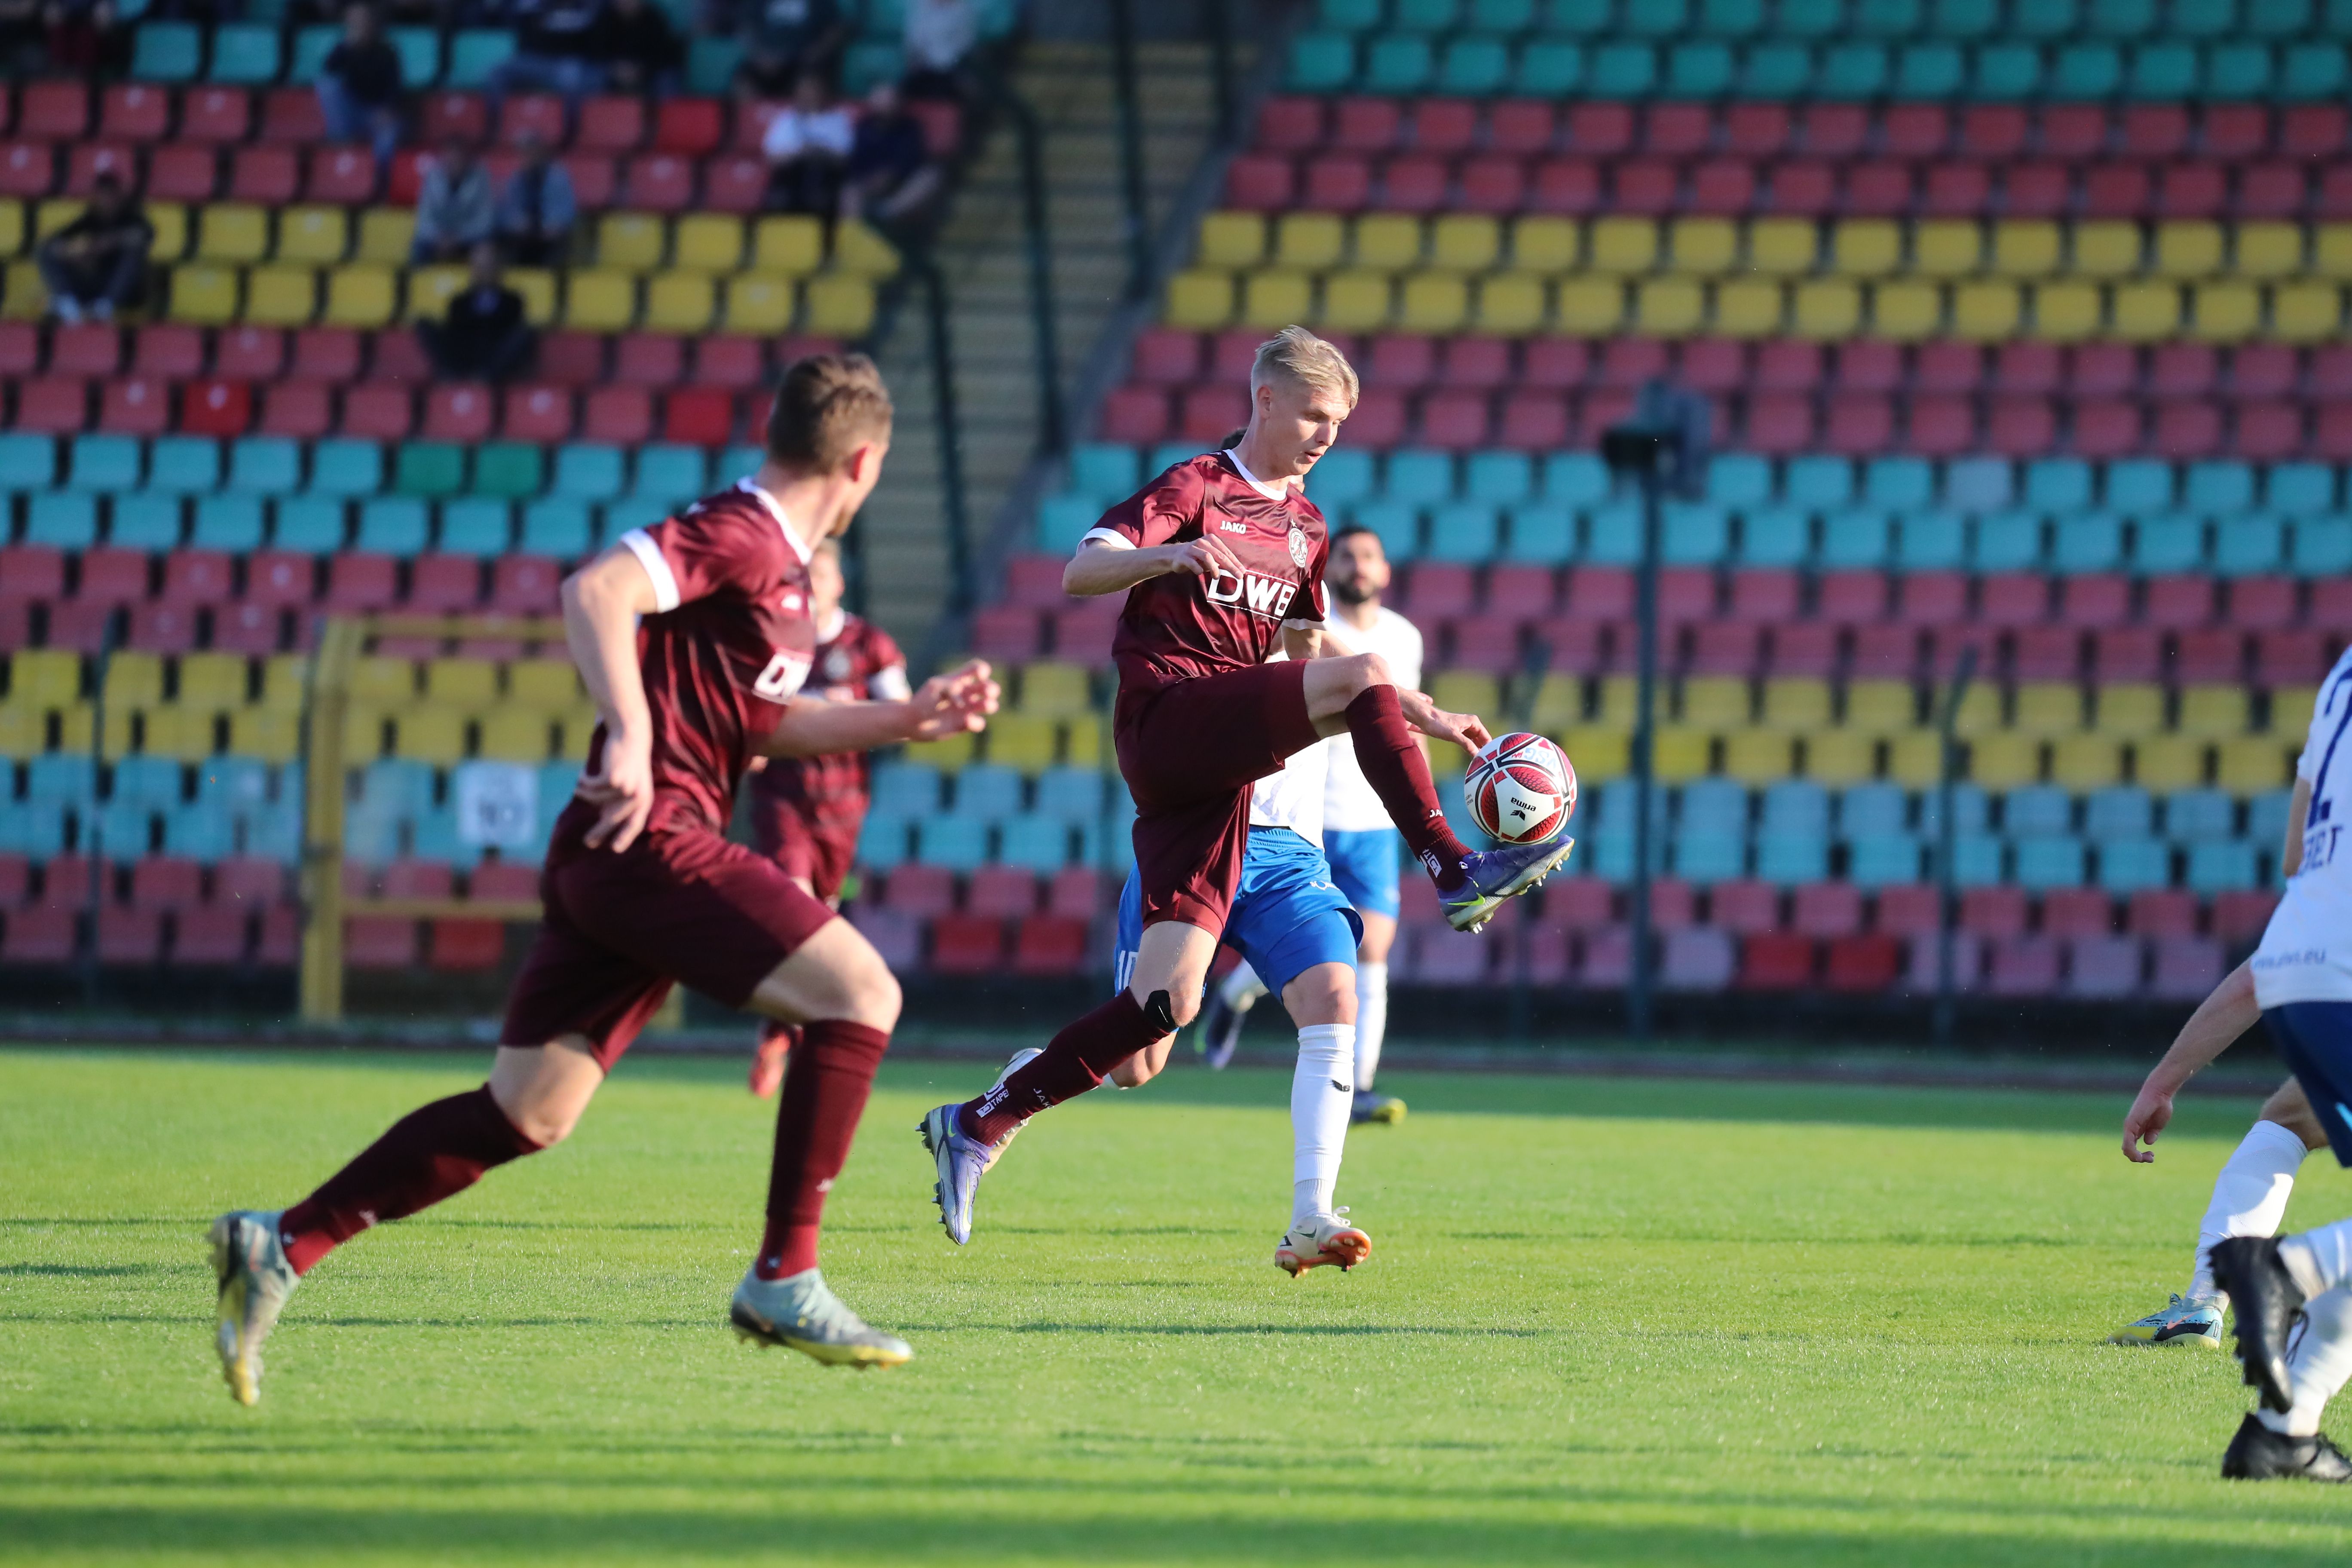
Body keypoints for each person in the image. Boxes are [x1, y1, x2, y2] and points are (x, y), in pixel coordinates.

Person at [208, 354, 1001, 1406]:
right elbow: (597, 589)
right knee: (862, 995)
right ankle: (785, 1274)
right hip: (648, 834)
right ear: (864, 461)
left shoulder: (785, 572)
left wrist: (906, 718)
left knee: (527, 1111)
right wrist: (629, 730)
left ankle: (280, 1243)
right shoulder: (744, 529)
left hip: (611, 850)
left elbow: (759, 724)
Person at [916, 327, 1573, 1247]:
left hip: (1217, 785)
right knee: (1365, 678)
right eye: (1312, 414)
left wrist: (1414, 708)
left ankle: (980, 1121)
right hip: (1169, 720)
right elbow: (1080, 570)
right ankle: (1453, 866)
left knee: (1155, 1026)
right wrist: (1170, 558)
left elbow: (1312, 656)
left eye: (1338, 423)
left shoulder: (1307, 528)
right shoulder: (1195, 488)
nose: (1324, 436)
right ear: (1264, 399)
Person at [2122, 643, 2352, 1479]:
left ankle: (2283, 1430)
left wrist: (2164, 1079)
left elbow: (2299, 856)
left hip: (2301, 966)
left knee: (2290, 1118)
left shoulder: (2339, 677)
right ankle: (2285, 1270)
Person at [1102, 710, 1378, 1276]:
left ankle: (1312, 1215)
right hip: (1195, 845)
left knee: (1334, 997)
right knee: (1135, 1063)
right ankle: (1024, 1082)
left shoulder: (1313, 637)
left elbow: (1346, 678)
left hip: (1291, 858)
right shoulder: (1201, 632)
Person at [1195, 523, 1421, 1126]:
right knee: (1310, 942)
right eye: (1347, 555)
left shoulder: (1405, 637)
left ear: (1385, 569)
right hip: (1311, 814)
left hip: (1372, 819)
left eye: (1369, 555)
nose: (1358, 565)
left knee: (1371, 946)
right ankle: (1236, 993)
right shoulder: (1307, 625)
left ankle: (1360, 1086)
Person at [742, 537, 907, 1099]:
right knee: (795, 904)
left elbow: (902, 714)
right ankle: (794, 1032)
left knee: (817, 924)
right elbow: (744, 705)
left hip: (843, 808)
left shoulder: (868, 644)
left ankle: (785, 1028)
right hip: (783, 800)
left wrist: (848, 717)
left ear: (839, 582)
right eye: (803, 578)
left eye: (821, 577)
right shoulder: (777, 642)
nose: (812, 588)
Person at [37, 172, 151, 324]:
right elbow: (58, 240)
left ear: (118, 196)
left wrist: (108, 243)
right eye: (101, 196)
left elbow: (145, 235)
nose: (105, 201)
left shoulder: (132, 217)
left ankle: (106, 306)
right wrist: (71, 252)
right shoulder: (91, 219)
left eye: (109, 196)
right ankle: (69, 304)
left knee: (134, 252)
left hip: (124, 290)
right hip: (91, 282)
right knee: (45, 252)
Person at [418, 244, 535, 381]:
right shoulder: (459, 301)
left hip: (496, 359)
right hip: (464, 356)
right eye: (480, 267)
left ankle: (484, 377)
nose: (484, 272)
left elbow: (511, 334)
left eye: (489, 267)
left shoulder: (513, 300)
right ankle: (453, 376)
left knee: (524, 334)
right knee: (424, 323)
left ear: (498, 269)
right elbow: (453, 334)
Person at [486, 0, 608, 123]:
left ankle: (569, 132)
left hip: (569, 61)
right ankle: (495, 127)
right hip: (535, 58)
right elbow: (526, 32)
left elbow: (594, 43)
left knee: (571, 80)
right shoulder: (536, 6)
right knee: (498, 74)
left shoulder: (590, 7)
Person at [317, 2, 403, 172]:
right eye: (355, 20)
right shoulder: (345, 49)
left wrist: (387, 109)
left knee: (390, 132)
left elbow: (395, 88)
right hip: (352, 112)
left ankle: (376, 177)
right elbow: (328, 69)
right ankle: (340, 144)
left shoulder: (387, 52)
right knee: (327, 86)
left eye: (364, 20)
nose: (360, 24)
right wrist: (347, 47)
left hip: (377, 114)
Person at [840, 81, 940, 227]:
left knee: (931, 175)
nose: (886, 105)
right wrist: (869, 178)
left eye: (890, 100)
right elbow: (856, 160)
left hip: (900, 184)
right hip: (867, 182)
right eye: (881, 100)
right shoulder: (864, 127)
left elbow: (913, 158)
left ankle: (886, 212)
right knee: (849, 191)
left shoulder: (910, 127)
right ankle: (854, 234)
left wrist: (892, 174)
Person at [759, 71, 853, 216]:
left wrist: (819, 151)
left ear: (823, 92)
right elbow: (773, 158)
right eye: (805, 90)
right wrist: (801, 153)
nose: (809, 94)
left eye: (814, 89)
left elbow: (844, 158)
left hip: (826, 177)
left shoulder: (838, 119)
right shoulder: (786, 119)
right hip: (790, 178)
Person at [495, 130, 577, 267]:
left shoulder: (558, 177)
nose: (527, 156)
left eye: (530, 151)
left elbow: (567, 212)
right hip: (524, 235)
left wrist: (551, 225)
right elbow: (507, 211)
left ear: (540, 151)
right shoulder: (517, 179)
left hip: (550, 234)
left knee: (556, 246)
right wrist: (516, 222)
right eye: (523, 152)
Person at [734, 0, 844, 101]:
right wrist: (761, 55)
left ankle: (801, 121)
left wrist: (814, 53)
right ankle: (750, 121)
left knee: (809, 80)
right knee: (745, 80)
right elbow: (747, 28)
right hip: (769, 61)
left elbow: (834, 30)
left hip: (806, 60)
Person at [410, 139, 494, 264]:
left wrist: (458, 238)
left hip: (469, 238)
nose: (454, 161)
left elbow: (484, 221)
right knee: (418, 247)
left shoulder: (481, 178)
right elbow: (424, 219)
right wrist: (439, 238)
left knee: (485, 250)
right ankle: (420, 282)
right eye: (450, 157)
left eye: (458, 157)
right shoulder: (432, 178)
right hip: (438, 239)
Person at [596, 0, 682, 97]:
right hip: (614, 71)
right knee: (594, 76)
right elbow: (598, 50)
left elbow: (662, 53)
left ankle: (661, 112)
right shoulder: (605, 19)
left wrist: (641, 70)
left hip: (648, 72)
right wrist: (615, 68)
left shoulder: (654, 19)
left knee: (667, 81)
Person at [900, 0, 974, 102]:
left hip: (950, 68)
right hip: (921, 66)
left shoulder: (963, 11)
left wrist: (938, 61)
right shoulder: (920, 6)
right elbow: (913, 38)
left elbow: (964, 45)